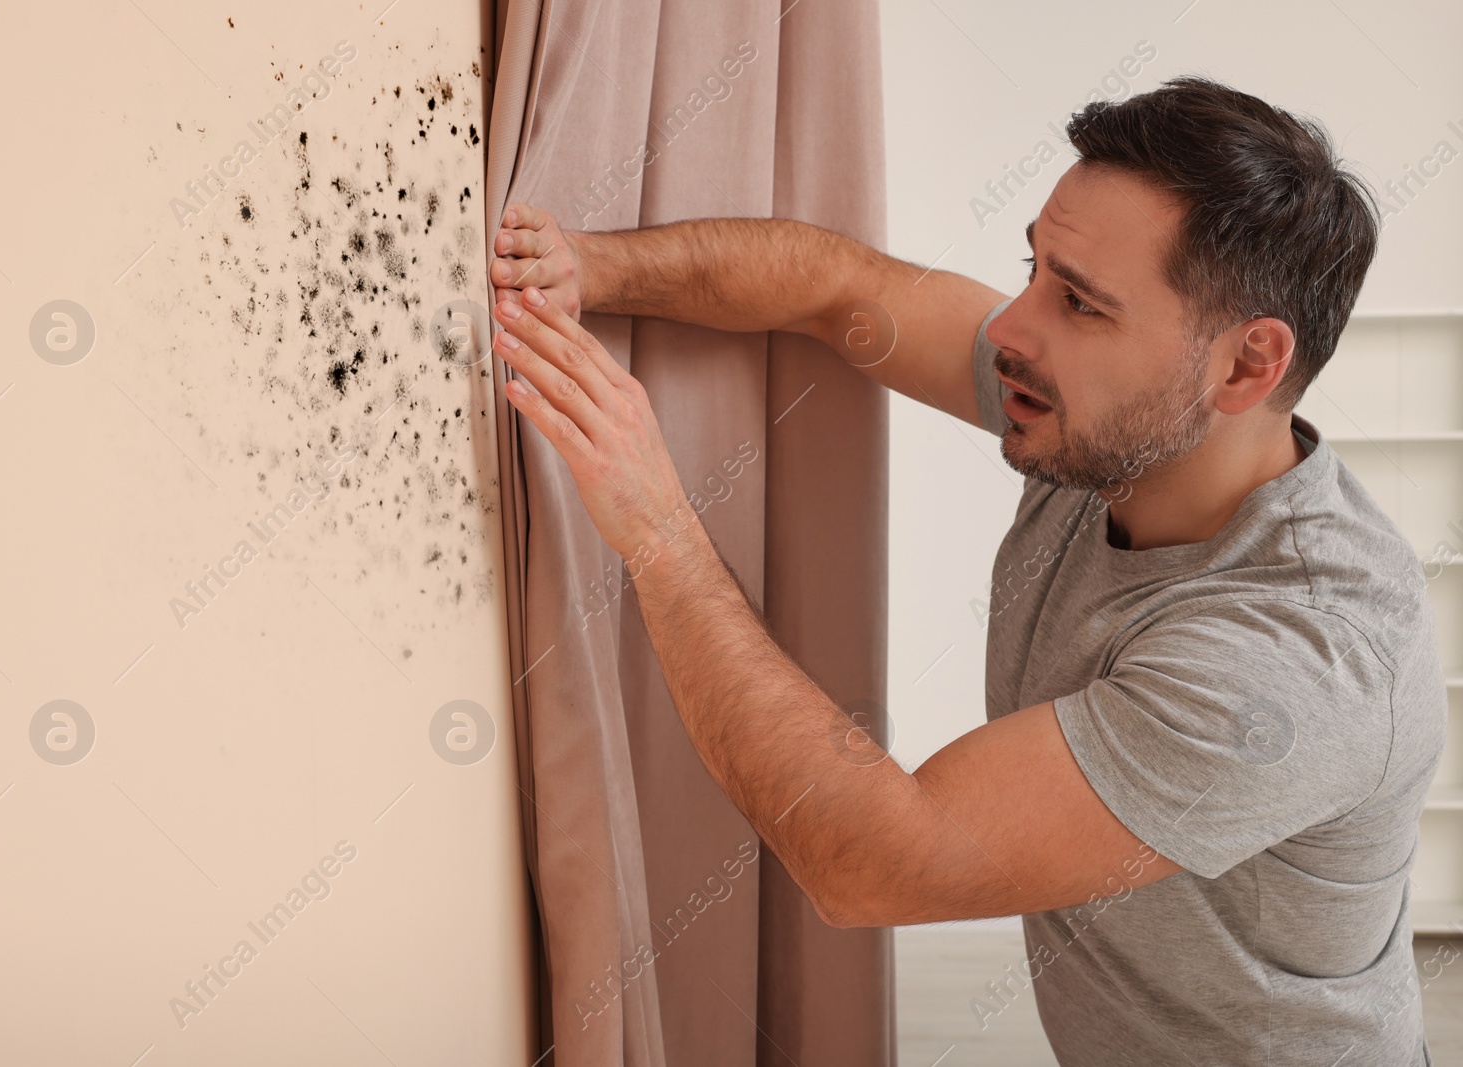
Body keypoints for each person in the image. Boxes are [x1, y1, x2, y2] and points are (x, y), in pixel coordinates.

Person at [485, 74, 1446, 1065]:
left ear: (1246, 367)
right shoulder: (1111, 422)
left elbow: (872, 862)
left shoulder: (1301, 658)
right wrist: (589, 268)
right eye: (1032, 267)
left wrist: (654, 523)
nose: (1012, 330)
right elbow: (840, 288)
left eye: (1079, 303)